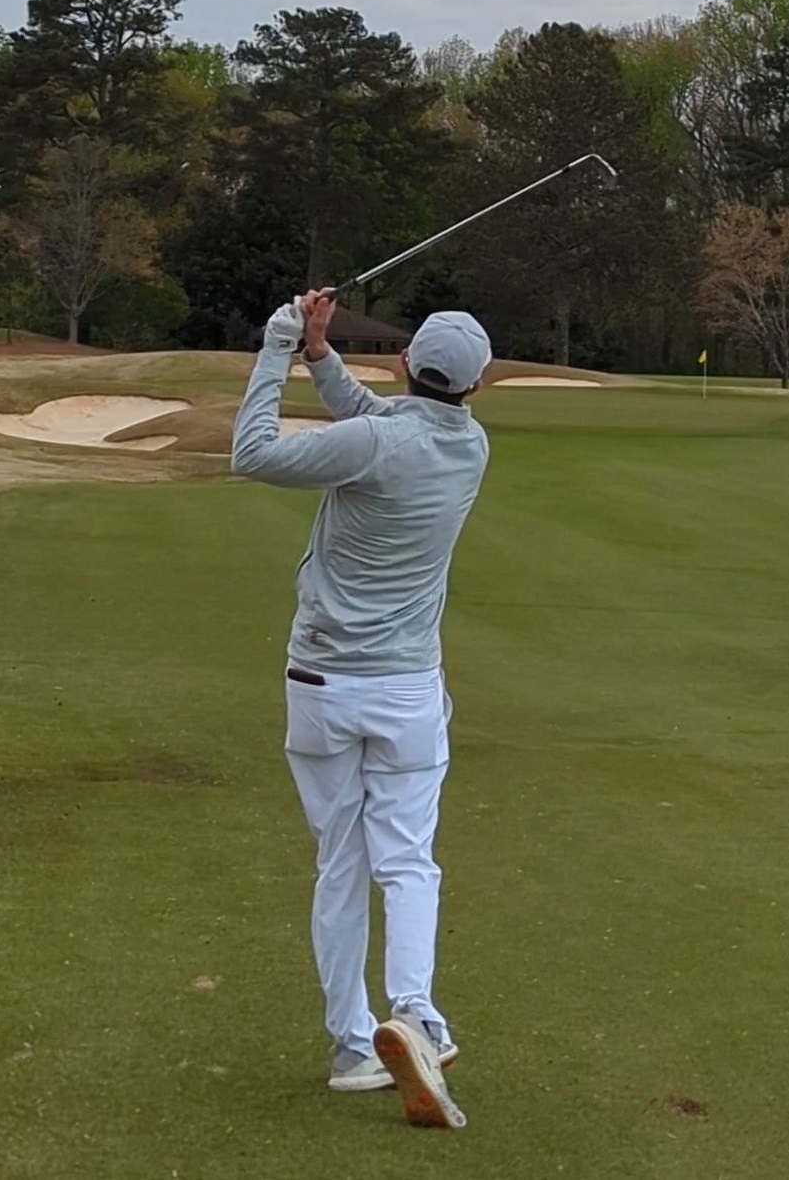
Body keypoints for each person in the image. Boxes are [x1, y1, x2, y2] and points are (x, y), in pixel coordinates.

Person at [230, 289, 492, 1131]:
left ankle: (352, 1045)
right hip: (408, 689)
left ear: (410, 363)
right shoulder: (470, 445)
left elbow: (252, 451)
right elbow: (384, 418)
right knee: (408, 860)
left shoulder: (376, 441)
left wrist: (276, 346)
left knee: (341, 861)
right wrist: (319, 352)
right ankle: (415, 1012)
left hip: (321, 686)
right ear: (474, 389)